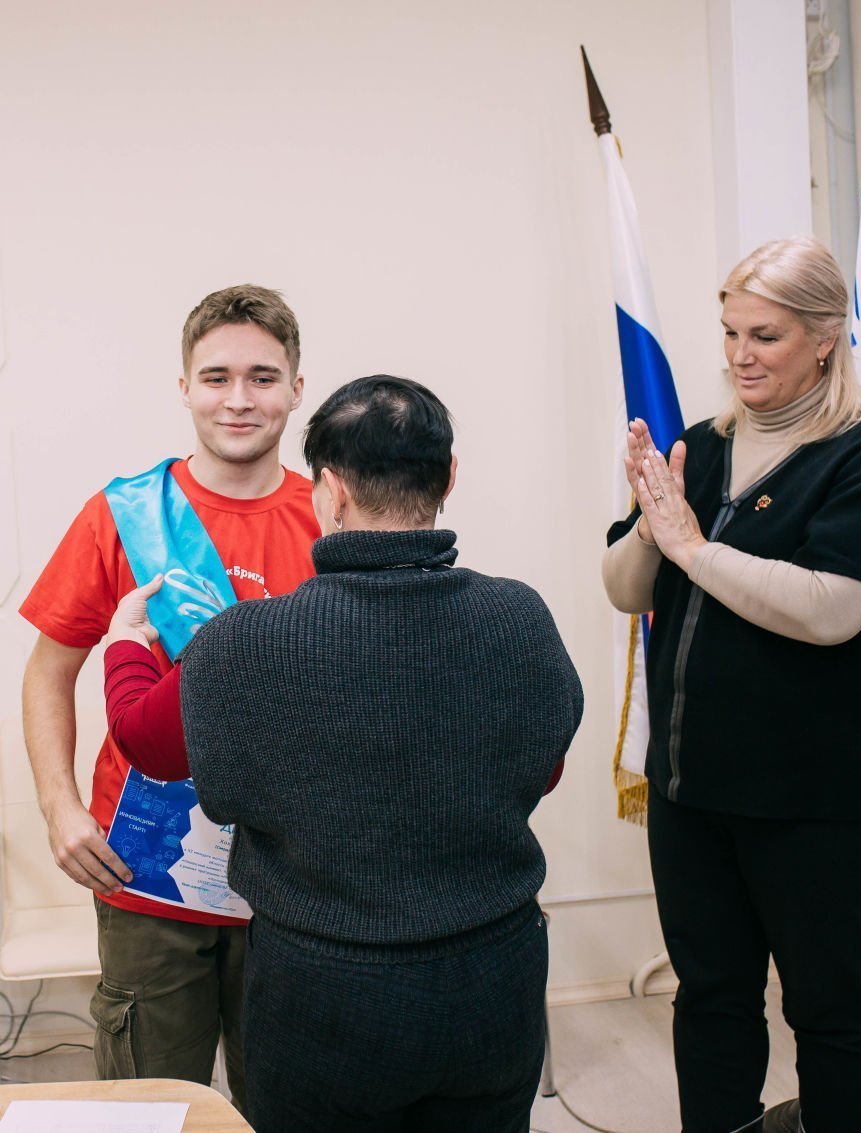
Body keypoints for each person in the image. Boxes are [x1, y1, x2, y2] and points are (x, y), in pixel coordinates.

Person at [100, 375, 581, 1133]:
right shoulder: (520, 617)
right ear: (449, 478)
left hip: (322, 995)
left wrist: (126, 644)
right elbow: (542, 769)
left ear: (330, 491)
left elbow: (144, 741)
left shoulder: (244, 645)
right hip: (494, 980)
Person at [602, 236, 861, 1133]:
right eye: (730, 332)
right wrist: (650, 527)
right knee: (711, 998)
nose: (739, 356)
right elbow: (624, 590)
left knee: (828, 1007)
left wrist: (691, 547)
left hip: (821, 799)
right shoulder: (700, 446)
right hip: (694, 790)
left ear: (825, 338)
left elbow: (830, 609)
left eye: (765, 336)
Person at [17, 284, 318, 1107]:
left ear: (297, 388)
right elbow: (48, 670)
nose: (239, 398)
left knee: (288, 1106)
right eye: (217, 377)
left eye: (262, 377)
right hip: (148, 872)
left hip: (290, 874)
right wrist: (58, 805)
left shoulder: (331, 516)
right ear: (184, 386)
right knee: (149, 1107)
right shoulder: (122, 514)